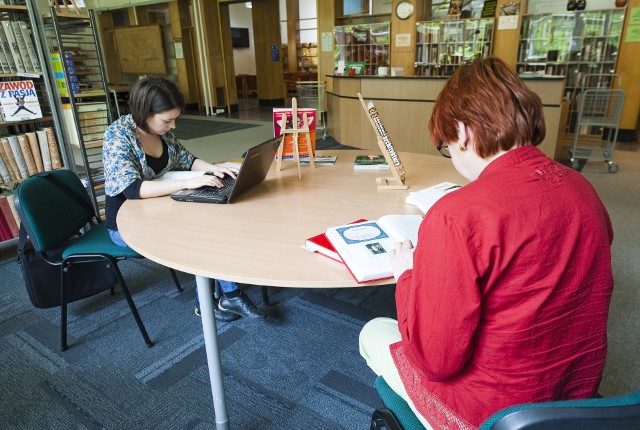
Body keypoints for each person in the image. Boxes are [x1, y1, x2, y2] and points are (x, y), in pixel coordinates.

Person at [359, 57, 613, 429]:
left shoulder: (457, 214)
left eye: (446, 146)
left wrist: (408, 277)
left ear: (461, 132)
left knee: (372, 332)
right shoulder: (583, 188)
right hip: (576, 395)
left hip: (493, 411)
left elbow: (436, 361)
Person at [102, 76, 264, 322]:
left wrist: (214, 169)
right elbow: (132, 189)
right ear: (144, 113)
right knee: (200, 233)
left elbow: (187, 160)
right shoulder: (118, 135)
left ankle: (226, 296)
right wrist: (189, 182)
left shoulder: (163, 133)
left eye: (175, 119)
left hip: (158, 207)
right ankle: (215, 302)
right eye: (168, 120)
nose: (173, 126)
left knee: (212, 219)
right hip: (126, 224)